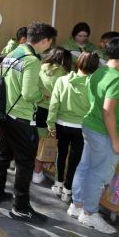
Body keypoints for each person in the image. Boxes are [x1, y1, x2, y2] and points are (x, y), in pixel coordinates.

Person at [68, 37, 119, 234]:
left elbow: (103, 106)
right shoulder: (117, 79)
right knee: (98, 175)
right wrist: (116, 142)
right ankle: (90, 214)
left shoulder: (99, 71)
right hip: (104, 132)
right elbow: (108, 112)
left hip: (91, 126)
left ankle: (76, 205)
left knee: (85, 167)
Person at [0, 22, 58, 223]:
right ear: (44, 40)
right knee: (25, 164)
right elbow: (29, 93)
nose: (49, 46)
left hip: (6, 114)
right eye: (50, 42)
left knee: (4, 155)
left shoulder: (13, 53)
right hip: (21, 118)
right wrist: (42, 96)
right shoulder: (32, 60)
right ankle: (20, 207)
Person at [47, 51, 100, 203]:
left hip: (62, 124)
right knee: (75, 159)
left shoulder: (62, 80)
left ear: (78, 62)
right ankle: (68, 190)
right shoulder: (94, 85)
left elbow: (54, 103)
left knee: (61, 153)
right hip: (82, 127)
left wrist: (51, 123)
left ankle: (58, 184)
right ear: (95, 67)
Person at [33, 47, 72, 184]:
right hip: (51, 112)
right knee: (44, 144)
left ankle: (28, 168)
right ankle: (37, 173)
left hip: (35, 108)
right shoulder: (64, 73)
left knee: (33, 141)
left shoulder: (40, 67)